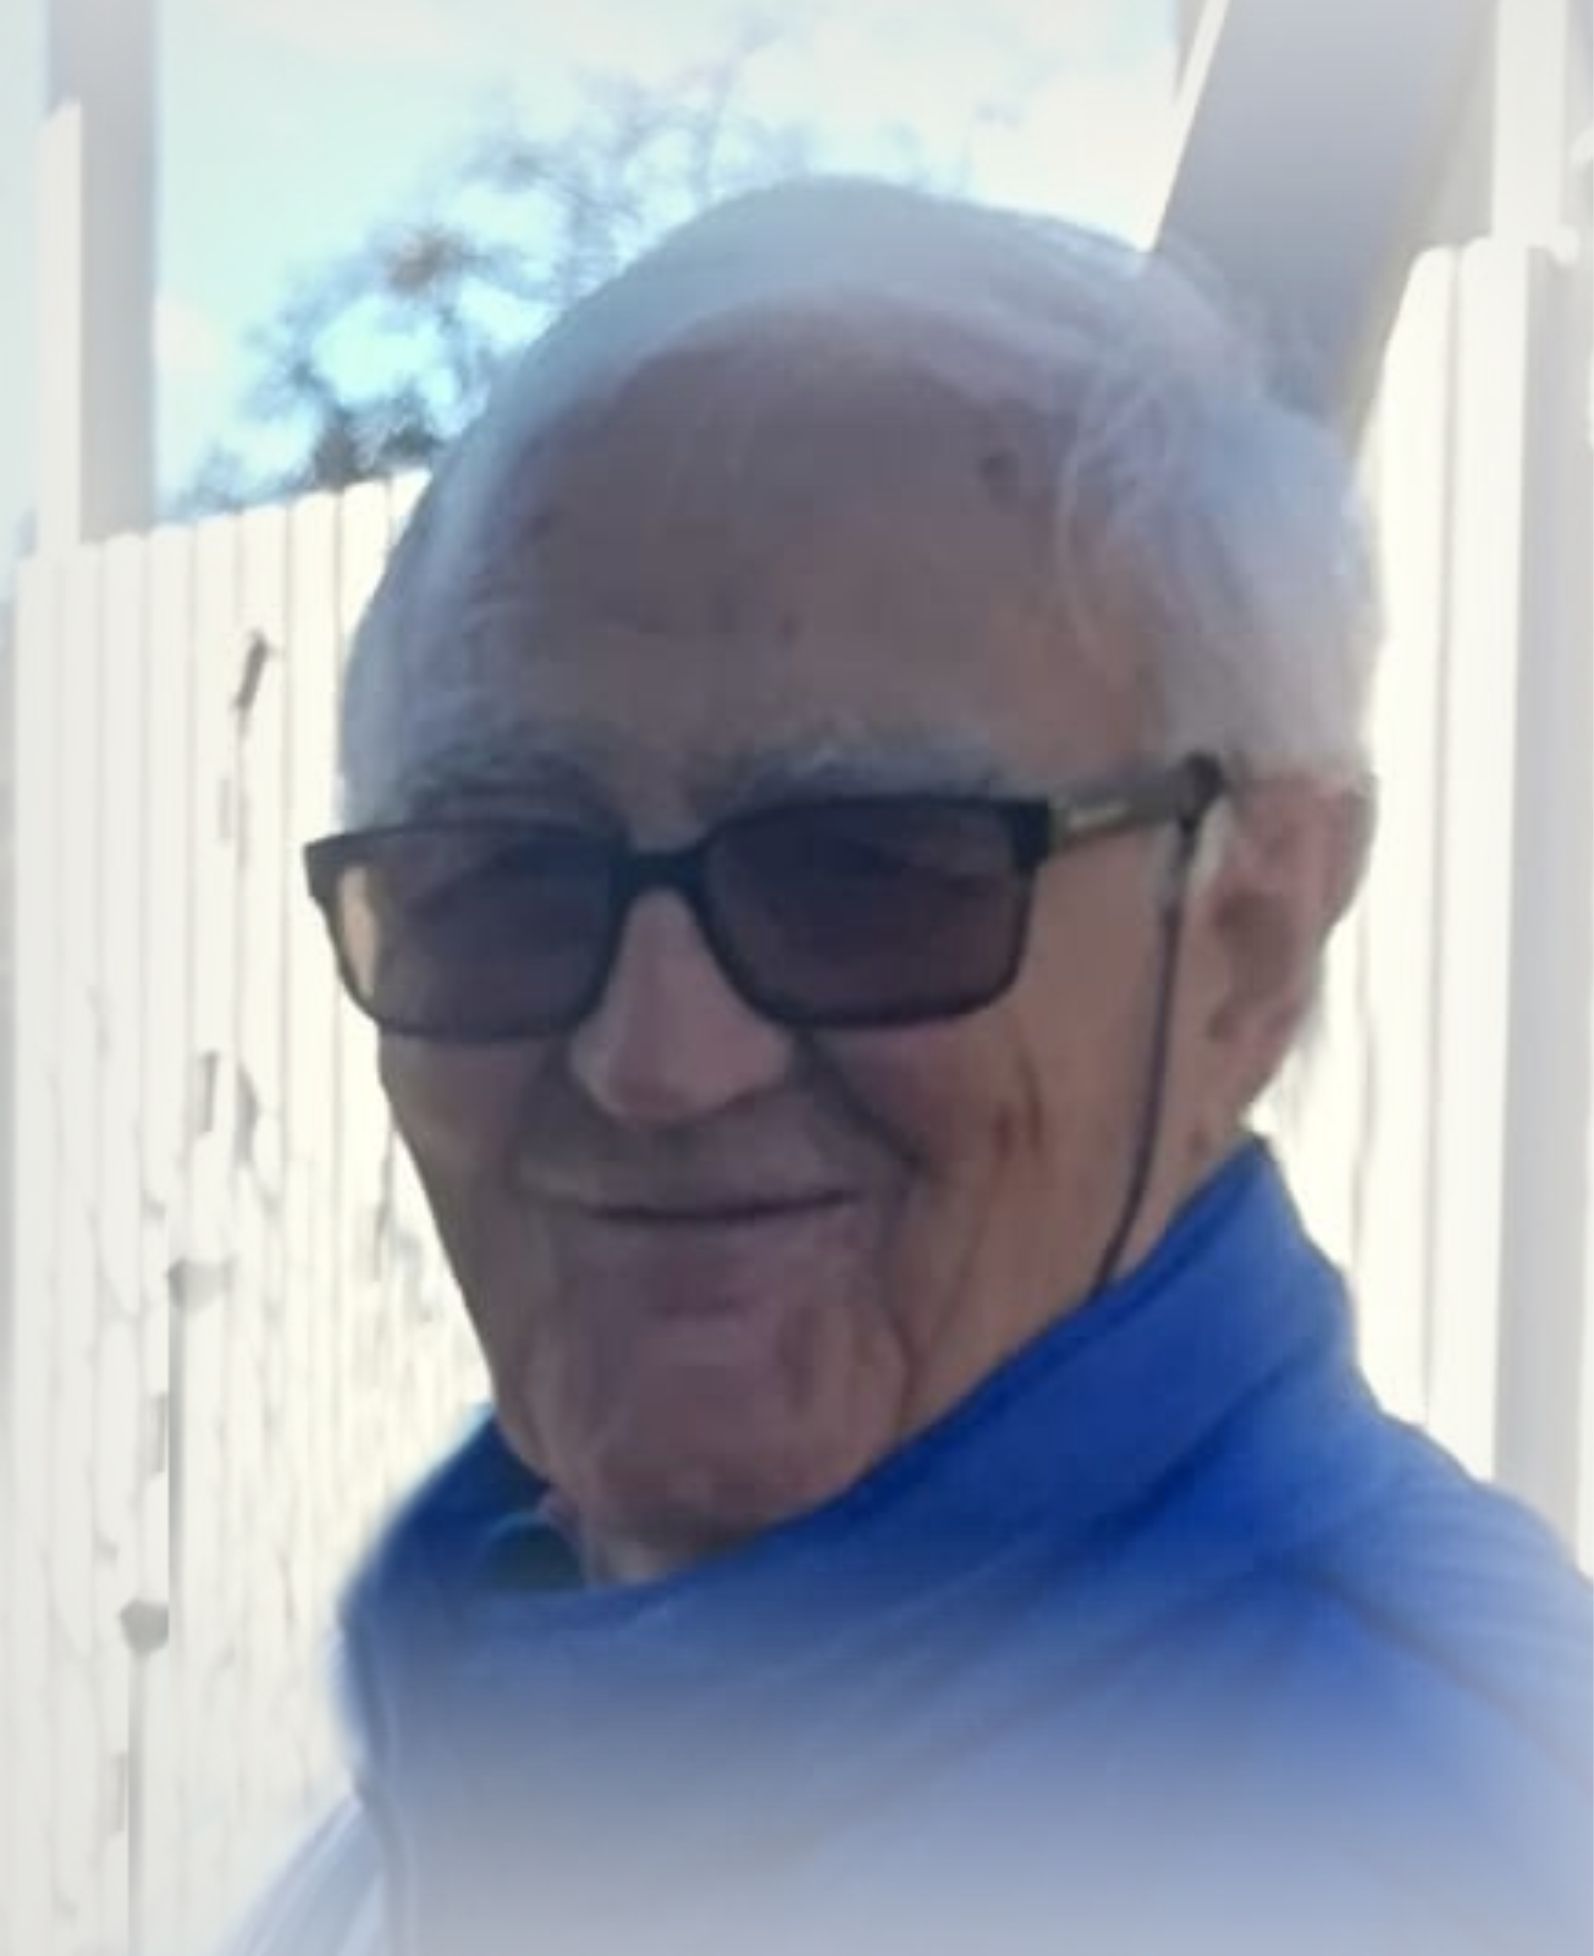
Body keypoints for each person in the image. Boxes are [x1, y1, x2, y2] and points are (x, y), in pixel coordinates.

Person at [229, 178, 1590, 1956]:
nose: (654, 1061)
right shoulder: (486, 1752)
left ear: (1245, 942)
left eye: (866, 874)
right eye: (503, 879)